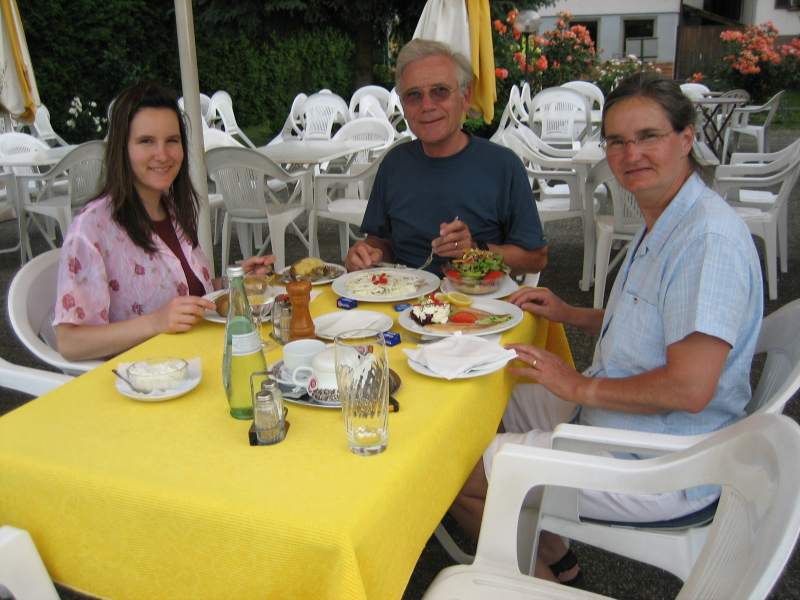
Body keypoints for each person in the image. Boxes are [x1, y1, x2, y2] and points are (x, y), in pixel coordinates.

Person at [451, 73, 764, 583]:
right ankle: (557, 557)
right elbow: (657, 322)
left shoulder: (707, 240)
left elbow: (689, 388)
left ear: (686, 138)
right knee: (491, 395)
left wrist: (578, 386)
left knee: (455, 472)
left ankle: (535, 584)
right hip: (619, 419)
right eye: (617, 141)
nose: (630, 154)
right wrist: (569, 313)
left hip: (665, 463)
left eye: (648, 136)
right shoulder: (668, 214)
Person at [54, 82, 273, 361]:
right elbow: (70, 343)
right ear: (122, 148)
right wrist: (154, 323)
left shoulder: (172, 209)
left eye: (172, 140)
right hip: (142, 377)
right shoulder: (91, 229)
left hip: (199, 359)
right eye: (146, 141)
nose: (163, 154)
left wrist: (235, 282)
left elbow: (188, 294)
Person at [344, 39, 548, 276]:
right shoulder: (394, 164)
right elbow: (380, 241)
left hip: (476, 295)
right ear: (404, 106)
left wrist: (476, 250)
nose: (427, 105)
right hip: (403, 294)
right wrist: (367, 254)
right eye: (414, 95)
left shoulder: (503, 165)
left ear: (465, 97)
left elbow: (536, 258)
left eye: (440, 91)